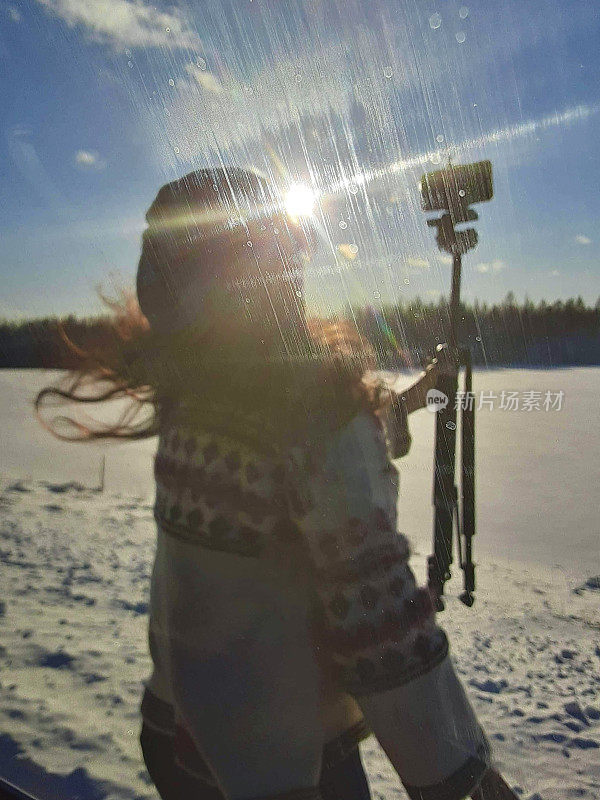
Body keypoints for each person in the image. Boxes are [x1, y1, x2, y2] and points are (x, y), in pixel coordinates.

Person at [37, 166, 518, 800]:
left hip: (179, 733)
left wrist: (405, 401)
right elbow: (381, 628)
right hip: (288, 768)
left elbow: (290, 469)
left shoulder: (196, 392)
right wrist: (466, 780)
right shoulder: (315, 423)